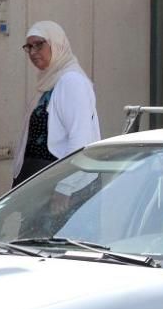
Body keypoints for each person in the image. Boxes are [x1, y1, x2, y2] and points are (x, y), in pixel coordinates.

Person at [12, 21, 101, 187]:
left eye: (39, 45)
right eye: (29, 47)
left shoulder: (71, 81)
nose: (32, 52)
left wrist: (66, 187)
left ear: (56, 43)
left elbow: (80, 139)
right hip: (42, 177)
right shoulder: (48, 83)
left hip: (63, 184)